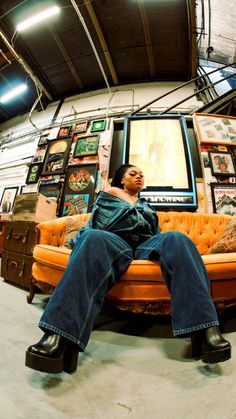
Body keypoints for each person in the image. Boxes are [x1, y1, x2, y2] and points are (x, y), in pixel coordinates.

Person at [25, 164, 231, 374]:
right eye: (133, 173)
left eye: (142, 174)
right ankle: (58, 334)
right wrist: (124, 201)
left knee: (177, 238)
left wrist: (136, 212)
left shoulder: (145, 204)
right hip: (113, 241)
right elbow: (106, 224)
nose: (139, 176)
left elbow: (153, 232)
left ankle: (206, 328)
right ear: (121, 180)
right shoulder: (108, 196)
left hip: (144, 245)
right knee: (94, 238)